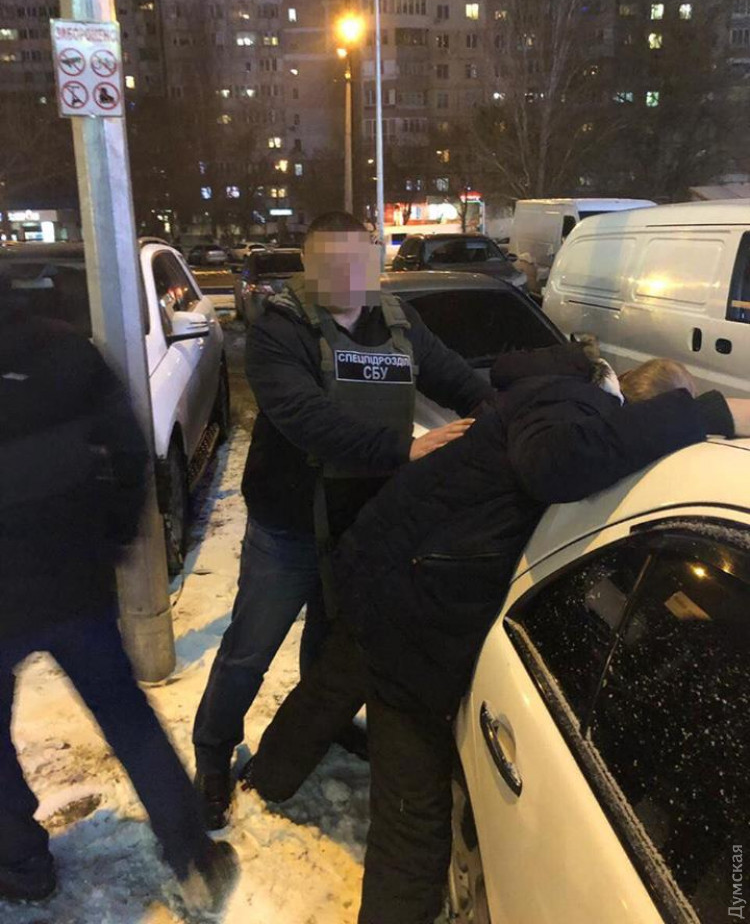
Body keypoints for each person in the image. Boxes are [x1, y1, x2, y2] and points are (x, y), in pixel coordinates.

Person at [242, 350, 749, 924]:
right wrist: (708, 414)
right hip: (413, 601)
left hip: (387, 564)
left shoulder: (559, 391)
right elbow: (554, 465)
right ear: (637, 409)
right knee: (413, 818)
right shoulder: (573, 404)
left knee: (335, 680)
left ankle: (269, 777)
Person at [192, 211, 495, 829]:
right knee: (250, 648)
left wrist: (509, 415)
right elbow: (307, 419)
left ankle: (322, 725)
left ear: (375, 262)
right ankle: (212, 753)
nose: (345, 275)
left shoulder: (400, 323)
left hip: (362, 525)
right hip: (291, 525)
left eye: (357, 261)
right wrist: (405, 449)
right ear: (308, 265)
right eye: (330, 263)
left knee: (332, 644)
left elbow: (461, 381)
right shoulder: (281, 330)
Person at [0, 271, 237, 913]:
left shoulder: (64, 350)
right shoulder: (65, 349)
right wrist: (110, 538)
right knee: (126, 715)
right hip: (74, 579)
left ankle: (21, 864)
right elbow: (131, 452)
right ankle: (192, 854)